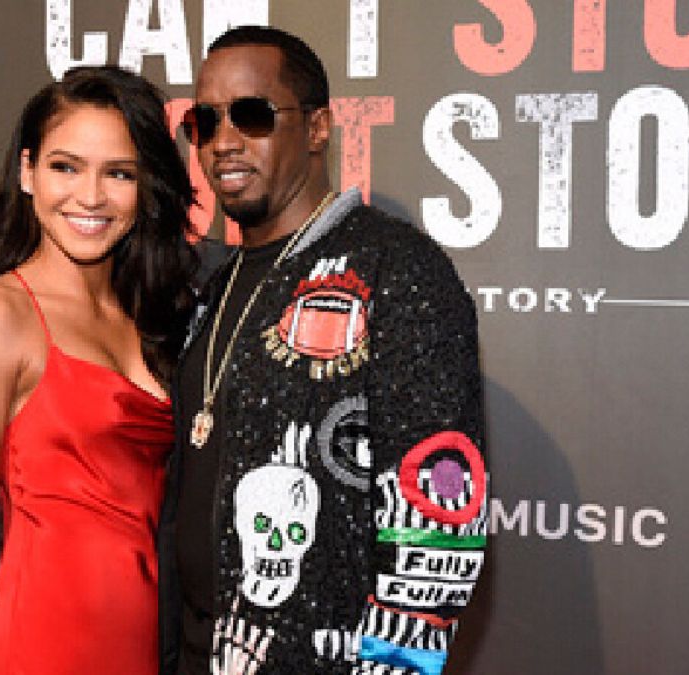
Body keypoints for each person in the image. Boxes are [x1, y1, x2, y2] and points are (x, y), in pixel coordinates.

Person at [159, 26, 487, 675]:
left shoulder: (396, 269)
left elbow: (439, 524)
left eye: (252, 115)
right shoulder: (210, 285)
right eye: (205, 120)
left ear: (316, 128)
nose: (224, 141)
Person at [0, 66, 197, 675]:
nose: (91, 197)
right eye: (65, 167)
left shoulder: (156, 313)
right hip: (42, 646)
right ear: (27, 173)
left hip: (148, 646)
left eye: (119, 173)